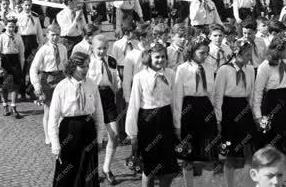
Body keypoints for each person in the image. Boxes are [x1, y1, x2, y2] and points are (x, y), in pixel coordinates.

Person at [125, 39, 179, 187]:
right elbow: (134, 105)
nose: (160, 60)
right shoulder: (140, 77)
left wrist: (177, 124)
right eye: (157, 57)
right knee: (149, 167)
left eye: (163, 56)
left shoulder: (171, 74)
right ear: (149, 58)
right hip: (148, 122)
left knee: (167, 166)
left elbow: (175, 100)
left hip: (166, 119)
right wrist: (132, 134)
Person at [252, 35, 286, 187]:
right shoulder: (265, 67)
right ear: (278, 50)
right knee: (274, 150)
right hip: (272, 107)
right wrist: (258, 116)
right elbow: (258, 92)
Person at [48, 52, 105, 187]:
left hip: (88, 129)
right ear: (73, 67)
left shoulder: (91, 85)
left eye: (87, 66)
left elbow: (99, 113)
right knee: (68, 170)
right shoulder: (62, 87)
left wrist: (100, 138)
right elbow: (53, 118)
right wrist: (55, 145)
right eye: (82, 67)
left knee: (88, 169)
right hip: (69, 130)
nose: (86, 70)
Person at [172, 34, 219, 187]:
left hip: (206, 109)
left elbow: (212, 93)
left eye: (207, 52)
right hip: (189, 110)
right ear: (192, 51)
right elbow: (178, 97)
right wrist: (177, 123)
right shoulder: (182, 69)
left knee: (210, 154)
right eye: (201, 52)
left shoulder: (209, 67)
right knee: (188, 155)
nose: (205, 56)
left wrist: (217, 117)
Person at [213, 38, 257, 187]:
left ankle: (249, 183)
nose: (249, 58)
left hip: (244, 109)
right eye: (247, 55)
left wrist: (255, 115)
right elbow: (218, 96)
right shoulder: (224, 70)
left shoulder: (250, 69)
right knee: (230, 153)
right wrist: (218, 119)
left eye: (250, 54)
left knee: (249, 149)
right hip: (229, 111)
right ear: (237, 54)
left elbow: (251, 94)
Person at [88, 34, 120, 184]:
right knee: (94, 138)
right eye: (98, 48)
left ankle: (106, 168)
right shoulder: (88, 62)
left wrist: (118, 86)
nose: (101, 51)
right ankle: (91, 171)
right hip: (93, 96)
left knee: (114, 134)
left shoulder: (112, 60)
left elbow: (116, 77)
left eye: (104, 48)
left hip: (108, 96)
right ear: (92, 48)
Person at [30, 21, 68, 145]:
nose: (55, 37)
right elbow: (34, 68)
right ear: (47, 35)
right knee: (49, 108)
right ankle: (48, 136)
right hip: (48, 79)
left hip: (61, 77)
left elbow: (65, 64)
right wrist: (36, 84)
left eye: (57, 35)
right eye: (52, 35)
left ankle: (60, 133)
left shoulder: (63, 48)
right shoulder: (43, 50)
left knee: (62, 108)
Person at [0, 13, 25, 118]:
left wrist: (21, 65)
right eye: (9, 26)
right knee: (4, 86)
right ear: (5, 26)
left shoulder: (18, 37)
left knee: (15, 85)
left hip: (15, 62)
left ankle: (14, 107)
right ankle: (5, 105)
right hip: (4, 62)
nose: (11, 28)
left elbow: (21, 52)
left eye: (13, 27)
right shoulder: (1, 37)